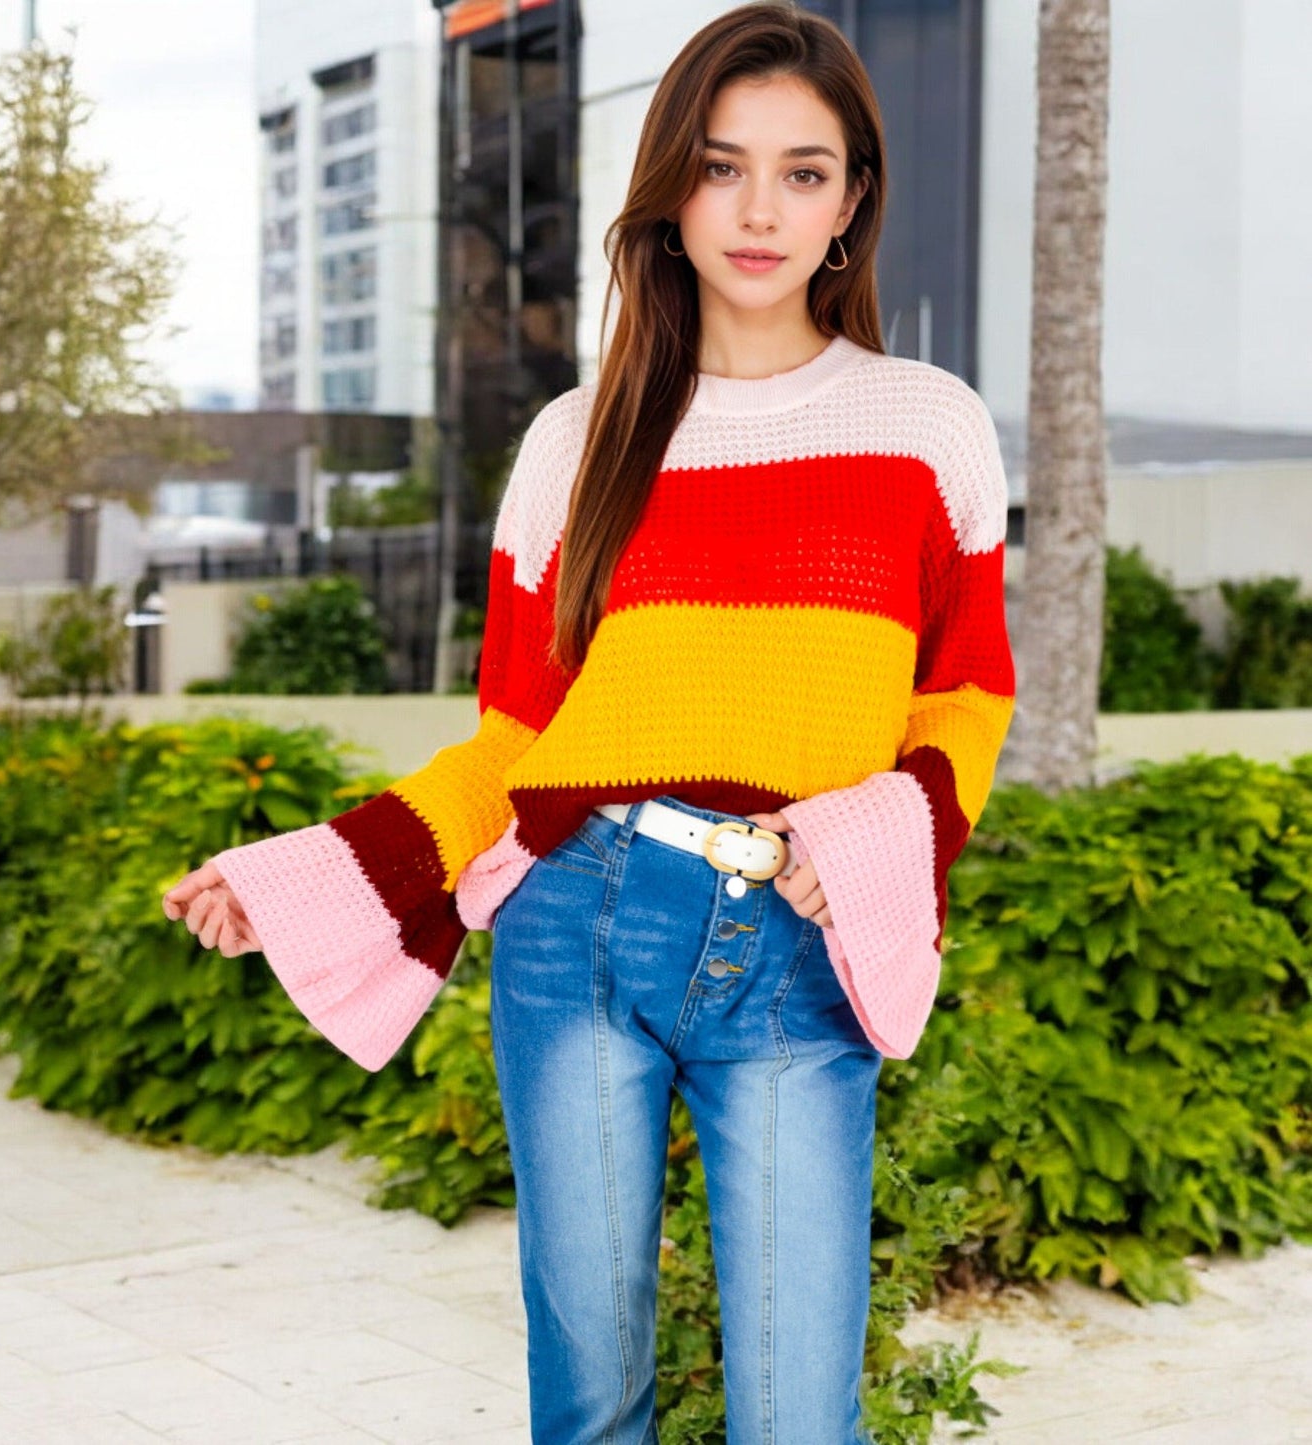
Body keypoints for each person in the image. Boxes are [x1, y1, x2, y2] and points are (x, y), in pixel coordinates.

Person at [163, 3, 1016, 1439]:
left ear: (850, 201)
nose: (757, 209)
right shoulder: (576, 439)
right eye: (720, 163)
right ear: (667, 188)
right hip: (578, 923)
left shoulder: (923, 425)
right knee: (589, 1402)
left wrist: (872, 826)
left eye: (802, 172)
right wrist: (314, 866)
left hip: (798, 949)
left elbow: (966, 699)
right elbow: (513, 742)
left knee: (798, 1417)